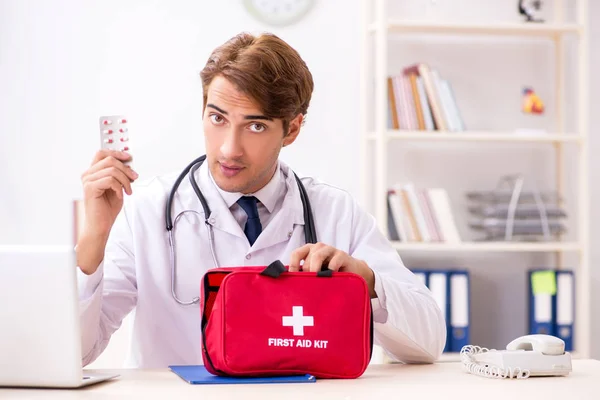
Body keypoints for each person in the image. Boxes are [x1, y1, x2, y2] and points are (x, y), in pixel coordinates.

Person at [77, 32, 446, 368]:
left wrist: (365, 282)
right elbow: (76, 352)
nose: (229, 149)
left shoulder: (335, 212)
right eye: (217, 118)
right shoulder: (147, 208)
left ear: (293, 129)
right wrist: (93, 238)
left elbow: (429, 344)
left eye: (255, 126)